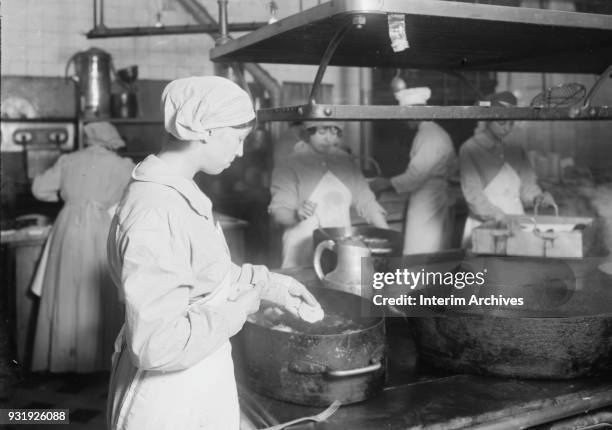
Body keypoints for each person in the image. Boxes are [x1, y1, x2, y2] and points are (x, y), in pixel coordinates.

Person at [106, 76, 321, 430]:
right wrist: (238, 310)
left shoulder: (177, 194)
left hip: (194, 377)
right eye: (237, 138)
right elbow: (156, 345)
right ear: (204, 129)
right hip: (168, 398)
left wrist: (270, 285)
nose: (239, 151)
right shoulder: (156, 210)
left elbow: (206, 274)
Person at [30, 122, 134, 373]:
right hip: (100, 224)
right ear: (112, 140)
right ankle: (97, 363)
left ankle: (63, 362)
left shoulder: (69, 160)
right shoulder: (122, 165)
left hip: (67, 224)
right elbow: (133, 198)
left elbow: (38, 189)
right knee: (97, 291)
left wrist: (69, 198)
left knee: (65, 288)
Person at [269, 120, 389, 268]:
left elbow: (366, 200)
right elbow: (279, 212)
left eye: (334, 133)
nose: (328, 139)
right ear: (308, 132)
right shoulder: (290, 163)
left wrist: (387, 234)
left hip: (339, 250)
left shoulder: (345, 161)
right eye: (322, 132)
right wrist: (296, 214)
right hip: (300, 253)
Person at [459, 91, 556, 247]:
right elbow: (473, 196)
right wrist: (499, 217)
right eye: (502, 123)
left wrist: (537, 198)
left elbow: (527, 187)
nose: (507, 129)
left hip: (517, 221)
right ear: (488, 120)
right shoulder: (470, 149)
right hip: (485, 226)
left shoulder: (516, 149)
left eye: (511, 124)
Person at [369, 87, 458, 255]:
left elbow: (415, 176)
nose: (404, 120)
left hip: (428, 197)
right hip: (432, 195)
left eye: (405, 115)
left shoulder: (429, 135)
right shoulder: (433, 132)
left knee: (419, 249)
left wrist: (385, 183)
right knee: (431, 248)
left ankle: (418, 281)